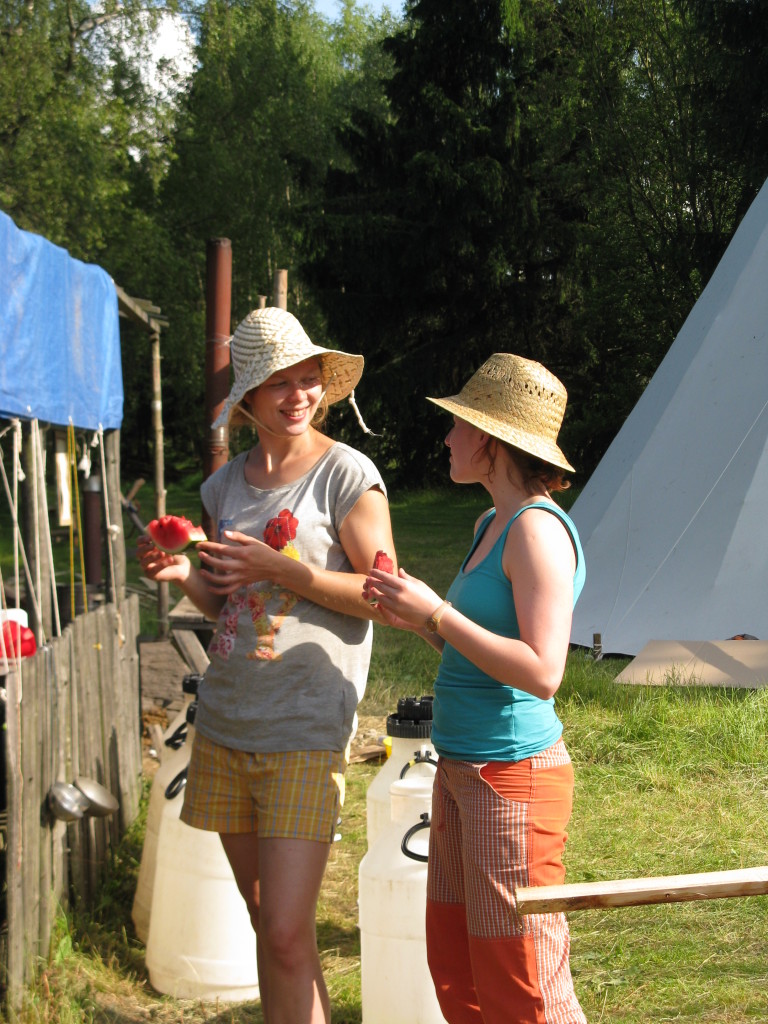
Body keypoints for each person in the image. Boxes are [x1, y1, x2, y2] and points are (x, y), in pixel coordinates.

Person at [138, 306, 396, 1024]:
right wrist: (183, 574)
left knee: (284, 930)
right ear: (249, 397)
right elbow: (232, 608)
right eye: (280, 382)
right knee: (268, 927)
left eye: (309, 379)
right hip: (226, 722)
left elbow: (386, 598)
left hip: (304, 726)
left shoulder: (347, 475)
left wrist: (285, 569)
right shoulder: (223, 488)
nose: (298, 395)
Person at [364, 353, 587, 1024]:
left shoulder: (538, 532)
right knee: (458, 965)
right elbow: (475, 651)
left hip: (511, 775)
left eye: (458, 425)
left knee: (521, 977)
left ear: (490, 440)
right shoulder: (489, 524)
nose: (447, 438)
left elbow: (543, 671)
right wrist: (417, 619)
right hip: (462, 768)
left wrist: (437, 611)